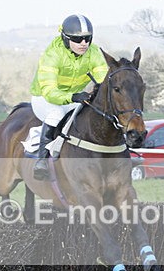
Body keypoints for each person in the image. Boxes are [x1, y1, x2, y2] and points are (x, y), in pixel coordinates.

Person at [30, 14, 109, 180]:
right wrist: (73, 97)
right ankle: (41, 160)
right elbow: (50, 92)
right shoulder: (52, 55)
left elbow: (104, 82)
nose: (84, 44)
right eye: (77, 39)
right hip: (44, 98)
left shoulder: (93, 53)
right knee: (56, 114)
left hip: (73, 98)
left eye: (88, 39)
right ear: (65, 38)